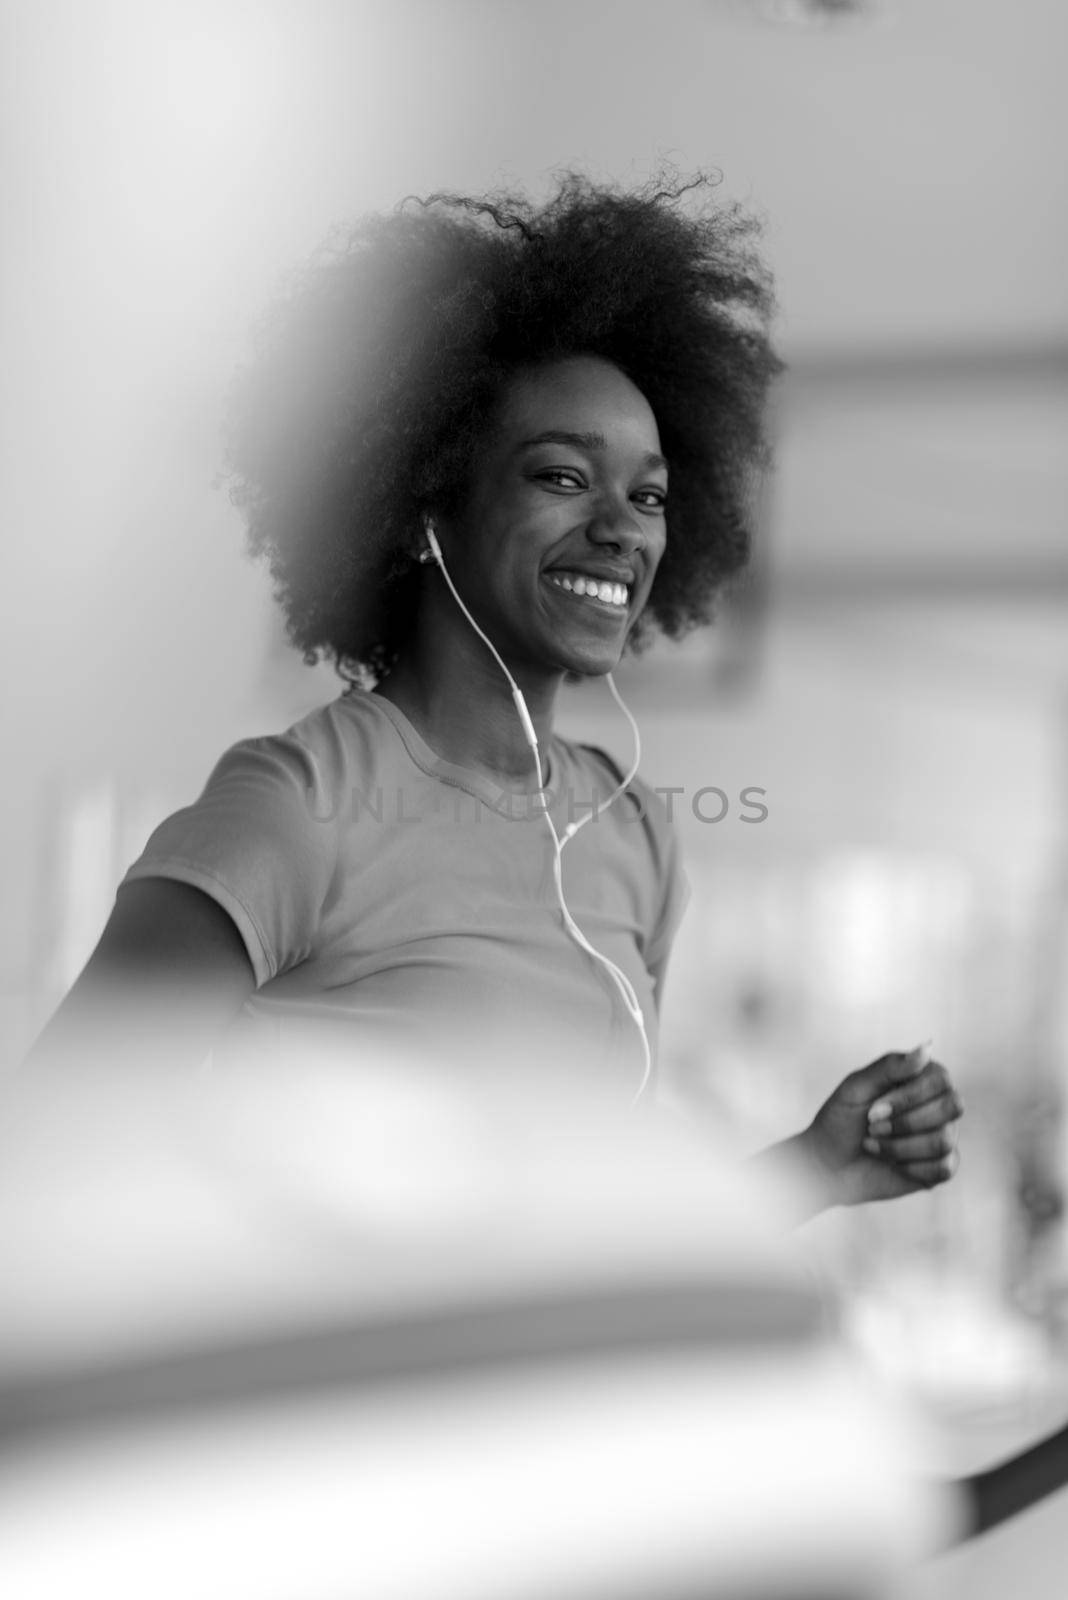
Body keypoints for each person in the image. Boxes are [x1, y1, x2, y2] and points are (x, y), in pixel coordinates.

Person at [26, 172, 962, 1213]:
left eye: (648, 495)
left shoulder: (630, 832)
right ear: (428, 502)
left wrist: (805, 1172)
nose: (622, 528)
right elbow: (50, 1156)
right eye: (564, 476)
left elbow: (578, 1224)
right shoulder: (298, 807)